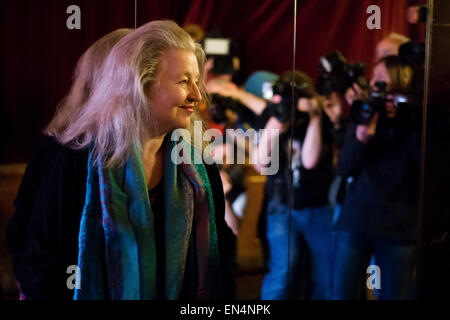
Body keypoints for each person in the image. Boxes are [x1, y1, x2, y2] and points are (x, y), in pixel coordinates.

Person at [6, 20, 234, 300]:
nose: (197, 96)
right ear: (139, 86)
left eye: (196, 81)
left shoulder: (198, 163)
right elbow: (40, 257)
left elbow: (219, 251)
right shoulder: (75, 158)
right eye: (183, 81)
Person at [332, 55, 420, 300]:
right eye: (374, 80)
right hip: (357, 220)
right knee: (342, 294)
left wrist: (406, 121)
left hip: (399, 227)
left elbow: (424, 166)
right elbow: (344, 168)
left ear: (401, 84)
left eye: (382, 80)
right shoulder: (366, 113)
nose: (375, 85)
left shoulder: (416, 120)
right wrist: (362, 135)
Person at [252, 71, 335, 300]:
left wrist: (316, 116)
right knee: (281, 274)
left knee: (324, 275)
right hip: (280, 208)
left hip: (316, 206)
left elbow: (309, 161)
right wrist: (274, 128)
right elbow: (260, 164)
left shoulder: (318, 118)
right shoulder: (272, 115)